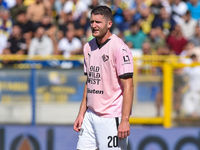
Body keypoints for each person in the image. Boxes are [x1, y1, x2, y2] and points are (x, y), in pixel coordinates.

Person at [73, 6, 134, 150]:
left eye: (98, 22)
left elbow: (129, 87)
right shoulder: (88, 47)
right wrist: (81, 113)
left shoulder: (119, 48)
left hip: (110, 116)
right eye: (92, 21)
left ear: (109, 24)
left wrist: (125, 120)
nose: (94, 25)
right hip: (90, 115)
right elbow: (90, 83)